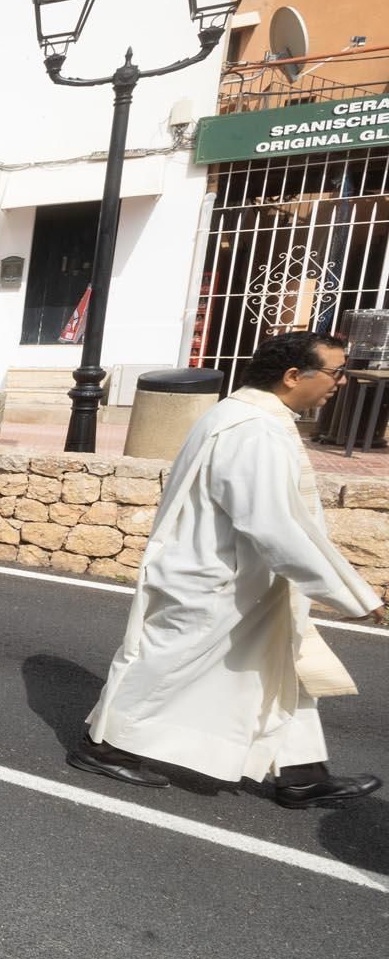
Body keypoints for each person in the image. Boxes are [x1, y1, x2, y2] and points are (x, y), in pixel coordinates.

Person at [69, 331, 384, 807]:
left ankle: (302, 773)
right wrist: (355, 598)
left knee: (282, 667)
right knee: (167, 666)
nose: (340, 382)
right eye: (335, 372)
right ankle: (105, 746)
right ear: (294, 376)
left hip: (246, 582)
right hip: (216, 582)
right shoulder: (250, 429)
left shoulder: (249, 417)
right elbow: (275, 524)